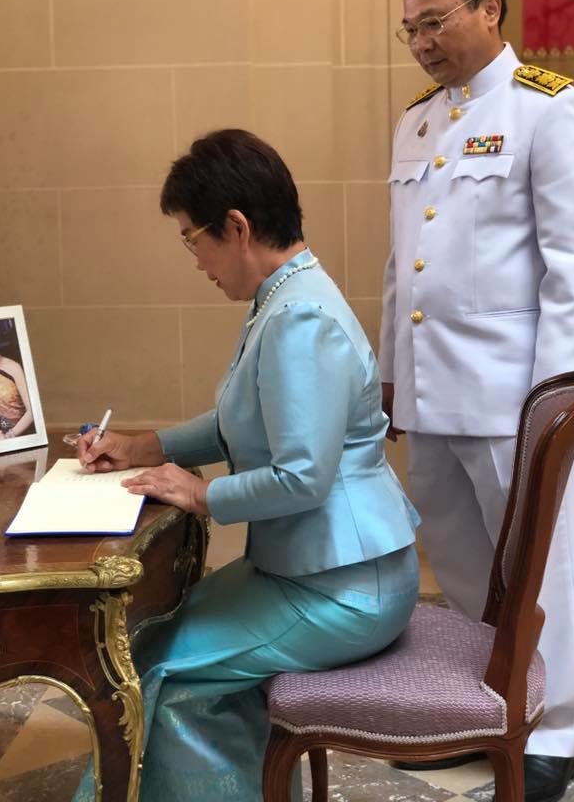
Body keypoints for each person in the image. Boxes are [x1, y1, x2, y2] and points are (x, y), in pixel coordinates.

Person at [72, 129, 420, 802]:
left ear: (236, 227)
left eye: (191, 240)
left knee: (151, 666)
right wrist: (146, 446)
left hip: (344, 588)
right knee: (144, 639)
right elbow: (244, 422)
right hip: (317, 570)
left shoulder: (299, 319)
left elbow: (302, 477)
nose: (196, 262)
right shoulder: (286, 296)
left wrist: (202, 495)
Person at [380, 0, 574, 802]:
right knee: (462, 558)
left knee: (547, 566)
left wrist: (557, 405)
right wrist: (392, 375)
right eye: (410, 30)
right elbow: (402, 267)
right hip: (433, 392)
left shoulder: (551, 111)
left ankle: (561, 729)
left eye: (434, 22)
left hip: (514, 397)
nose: (421, 43)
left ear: (490, 8)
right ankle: (488, 713)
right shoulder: (416, 123)